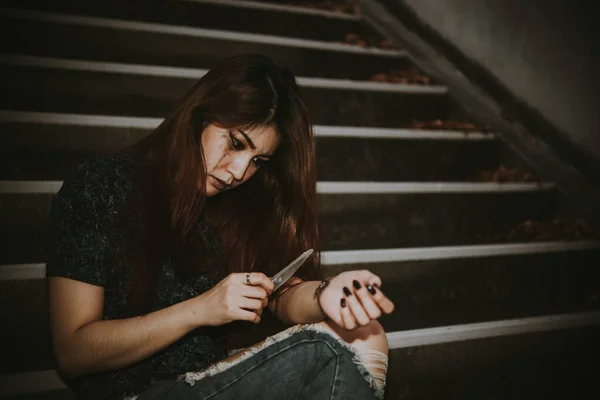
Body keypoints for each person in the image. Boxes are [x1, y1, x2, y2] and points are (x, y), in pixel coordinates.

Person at [47, 54, 395, 400]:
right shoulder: (102, 186)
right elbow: (73, 352)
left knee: (364, 333)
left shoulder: (238, 206)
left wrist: (328, 294)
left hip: (211, 381)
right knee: (326, 350)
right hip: (135, 391)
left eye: (258, 160)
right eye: (235, 143)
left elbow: (281, 293)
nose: (239, 172)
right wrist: (201, 309)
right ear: (199, 116)